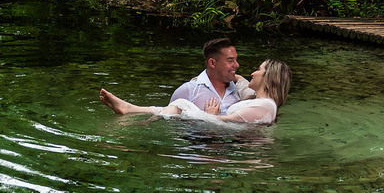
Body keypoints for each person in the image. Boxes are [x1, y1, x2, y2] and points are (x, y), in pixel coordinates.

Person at [99, 59, 291, 125]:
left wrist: (212, 117)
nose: (253, 73)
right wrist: (204, 81)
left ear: (268, 78)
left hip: (222, 133)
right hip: (222, 132)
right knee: (179, 107)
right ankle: (130, 109)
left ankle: (135, 115)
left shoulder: (266, 106)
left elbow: (233, 123)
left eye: (259, 70)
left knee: (182, 104)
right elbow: (239, 79)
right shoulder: (253, 98)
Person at [168, 37, 253, 113]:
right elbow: (170, 124)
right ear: (212, 63)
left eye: (236, 60)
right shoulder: (188, 91)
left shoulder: (240, 90)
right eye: (230, 60)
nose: (237, 65)